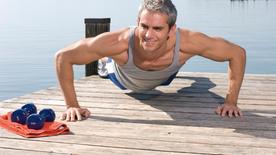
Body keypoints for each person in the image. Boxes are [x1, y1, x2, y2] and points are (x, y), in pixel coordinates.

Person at [55, 0, 246, 122]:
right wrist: (72, 105)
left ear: (171, 29)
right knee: (105, 60)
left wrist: (231, 101)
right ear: (137, 22)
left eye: (157, 29)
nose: (148, 35)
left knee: (199, 78)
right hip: (122, 78)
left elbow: (237, 53)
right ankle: (105, 61)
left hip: (166, 75)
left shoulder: (189, 41)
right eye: (144, 26)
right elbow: (63, 57)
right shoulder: (118, 42)